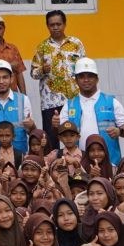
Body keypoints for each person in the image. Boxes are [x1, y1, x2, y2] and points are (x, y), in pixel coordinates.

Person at [31, 10, 86, 149]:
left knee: (76, 134)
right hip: (51, 101)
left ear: (64, 24)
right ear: (47, 26)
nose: (55, 27)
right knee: (51, 140)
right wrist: (42, 70)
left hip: (74, 99)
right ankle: (53, 168)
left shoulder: (76, 44)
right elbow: (33, 73)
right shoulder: (42, 47)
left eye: (58, 24)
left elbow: (85, 67)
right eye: (52, 25)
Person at [63, 58, 124, 168]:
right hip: (78, 165)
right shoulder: (69, 104)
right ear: (76, 80)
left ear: (97, 79)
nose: (86, 80)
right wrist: (55, 124)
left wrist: (120, 130)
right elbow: (61, 132)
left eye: (90, 76)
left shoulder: (111, 102)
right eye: (81, 76)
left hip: (110, 163)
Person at [0, 59, 35, 149]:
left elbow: (31, 131)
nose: (1, 81)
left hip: (20, 155)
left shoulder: (23, 99)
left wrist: (32, 125)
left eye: (5, 77)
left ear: (11, 78)